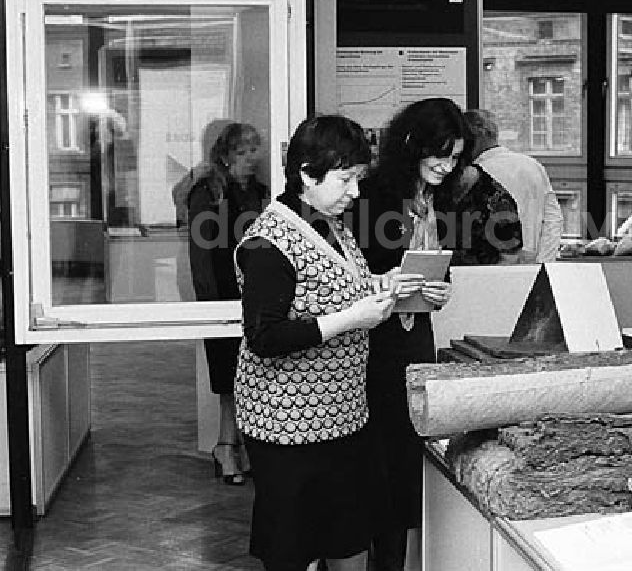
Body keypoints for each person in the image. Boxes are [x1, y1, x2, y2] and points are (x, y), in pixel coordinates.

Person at [349, 97, 518, 571]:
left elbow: (421, 264)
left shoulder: (432, 197)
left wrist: (435, 292)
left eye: (455, 157)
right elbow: (359, 276)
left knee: (404, 468)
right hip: (372, 348)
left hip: (412, 339)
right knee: (376, 470)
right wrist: (392, 286)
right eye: (439, 155)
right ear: (412, 146)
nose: (447, 166)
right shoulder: (373, 196)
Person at [234, 115, 397, 571]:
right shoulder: (267, 242)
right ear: (307, 173)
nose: (355, 192)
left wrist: (387, 286)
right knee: (294, 550)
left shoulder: (331, 225)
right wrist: (352, 319)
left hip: (343, 419)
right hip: (288, 427)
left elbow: (337, 288)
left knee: (348, 540)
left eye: (357, 180)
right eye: (346, 179)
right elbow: (264, 336)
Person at [186, 121, 267, 485]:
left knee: (247, 372)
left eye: (254, 150)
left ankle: (235, 446)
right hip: (220, 293)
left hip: (252, 291)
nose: (251, 158)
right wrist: (208, 302)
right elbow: (201, 252)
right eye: (242, 152)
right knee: (227, 375)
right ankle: (226, 445)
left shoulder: (261, 192)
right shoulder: (209, 192)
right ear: (225, 155)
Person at [465, 108, 563, 262]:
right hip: (533, 263)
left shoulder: (477, 175)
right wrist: (543, 263)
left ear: (473, 139)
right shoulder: (532, 165)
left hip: (491, 268)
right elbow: (553, 220)